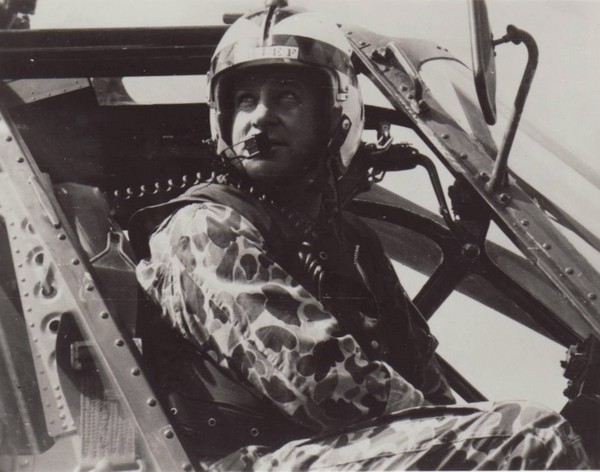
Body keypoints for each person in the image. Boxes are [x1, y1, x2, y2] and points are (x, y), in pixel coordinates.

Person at [129, 2, 591, 469]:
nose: (260, 117)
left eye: (285, 97)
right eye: (245, 101)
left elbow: (428, 385)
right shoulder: (204, 228)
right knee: (529, 436)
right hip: (249, 462)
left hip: (339, 454)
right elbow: (321, 388)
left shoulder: (353, 244)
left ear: (334, 114)